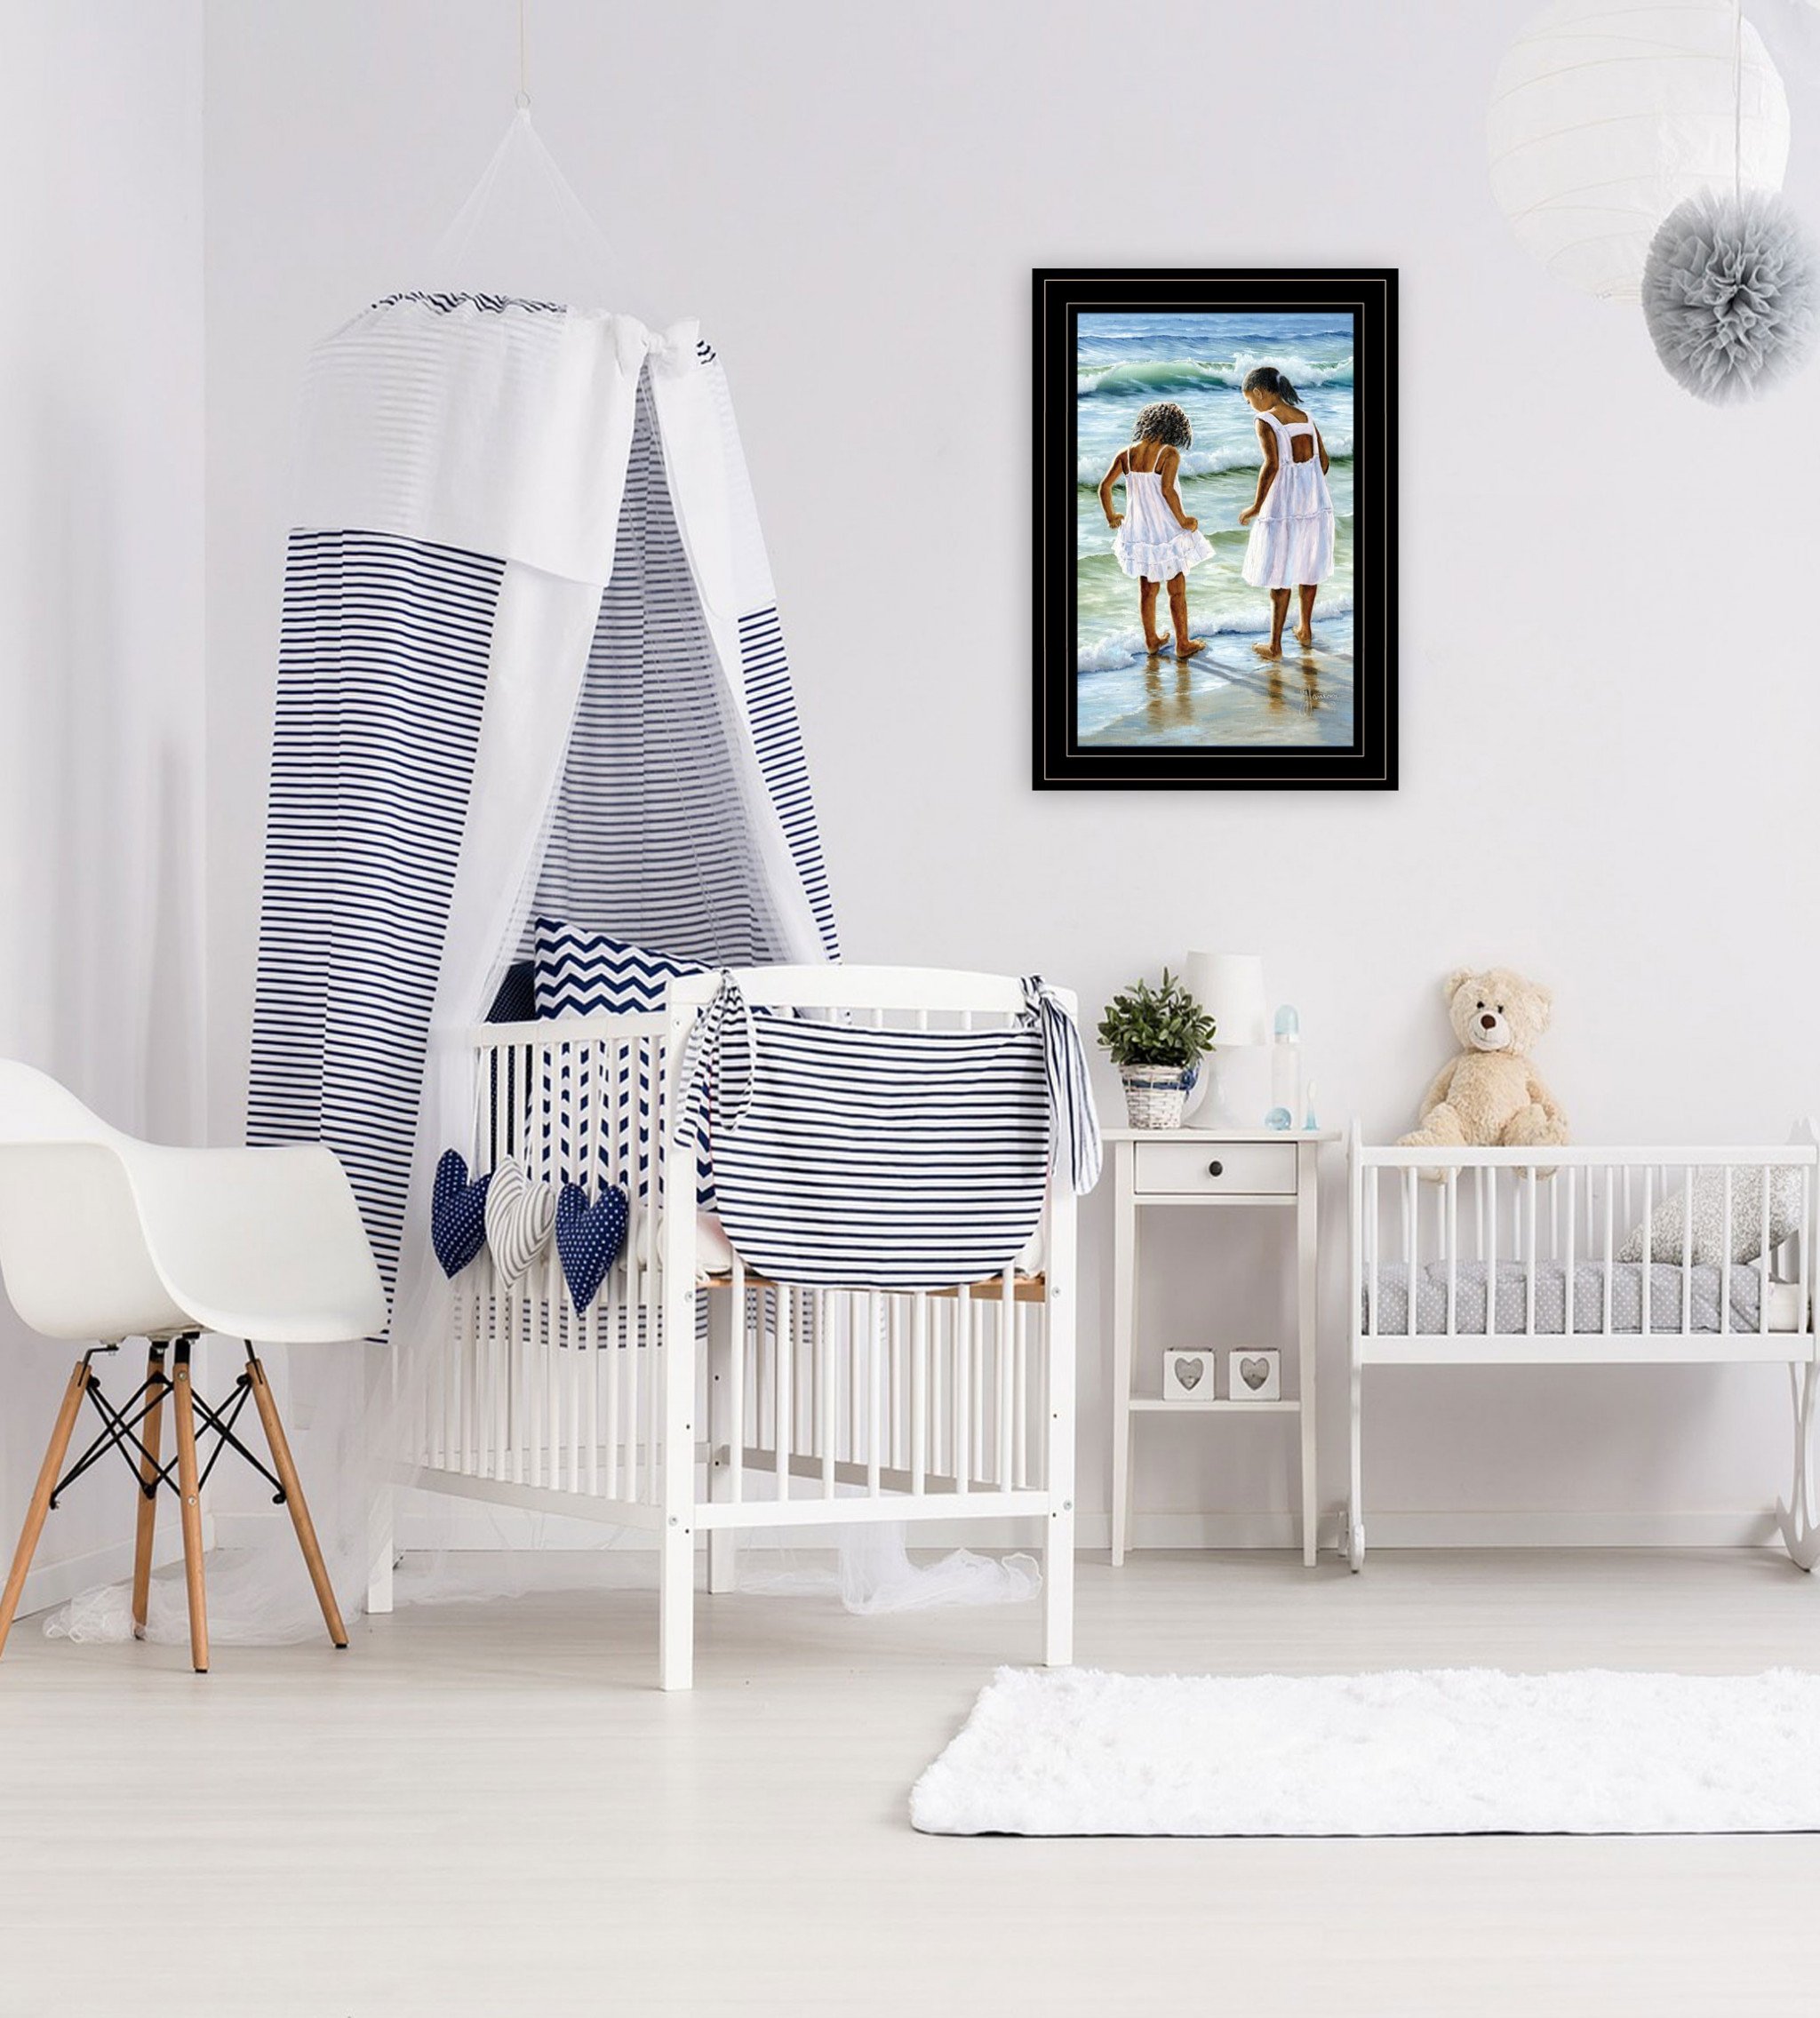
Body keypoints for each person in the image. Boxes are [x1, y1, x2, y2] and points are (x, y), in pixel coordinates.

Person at [1098, 400, 1214, 659]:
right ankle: (1182, 643)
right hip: (1165, 528)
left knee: (1147, 589)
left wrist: (1111, 516)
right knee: (1177, 589)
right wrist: (1183, 520)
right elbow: (1168, 490)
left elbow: (1104, 487)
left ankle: (1151, 640)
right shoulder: (1168, 453)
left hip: (1139, 530)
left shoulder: (1126, 454)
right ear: (1173, 427)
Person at [1237, 364, 1334, 662]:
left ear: (1259, 392)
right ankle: (1305, 630)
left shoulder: (1265, 419)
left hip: (1283, 505)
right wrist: (1308, 485)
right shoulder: (1306, 417)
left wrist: (1256, 506)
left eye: (1249, 400)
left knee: (1280, 573)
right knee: (1308, 566)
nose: (1250, 406)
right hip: (1314, 504)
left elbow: (1272, 465)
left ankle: (1275, 646)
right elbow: (1324, 462)